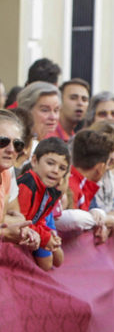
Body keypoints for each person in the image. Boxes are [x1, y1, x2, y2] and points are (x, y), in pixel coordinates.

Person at [16, 137, 70, 270]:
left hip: (32, 231)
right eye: (50, 163)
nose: (56, 170)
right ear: (34, 161)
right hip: (15, 232)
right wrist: (45, 237)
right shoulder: (27, 184)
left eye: (62, 168)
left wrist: (50, 234)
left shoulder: (50, 191)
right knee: (46, 264)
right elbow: (19, 221)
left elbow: (39, 220)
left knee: (58, 259)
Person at [0, 109, 40, 249]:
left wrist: (26, 231)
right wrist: (4, 233)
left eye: (17, 144)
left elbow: (17, 217)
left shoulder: (6, 172)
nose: (11, 149)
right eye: (2, 141)